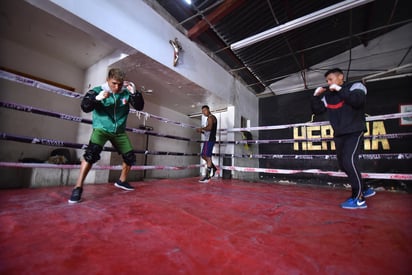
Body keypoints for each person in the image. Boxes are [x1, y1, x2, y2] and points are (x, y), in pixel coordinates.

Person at [68, 68, 144, 203]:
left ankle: (121, 181)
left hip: (119, 132)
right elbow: (85, 107)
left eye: (120, 84)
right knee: (91, 154)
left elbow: (139, 107)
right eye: (114, 83)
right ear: (108, 80)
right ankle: (78, 187)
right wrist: (97, 99)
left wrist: (135, 93)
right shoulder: (97, 91)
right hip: (101, 129)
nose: (117, 87)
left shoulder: (126, 92)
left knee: (130, 157)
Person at [311, 68, 375, 209]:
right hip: (339, 133)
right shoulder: (329, 96)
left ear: (341, 77)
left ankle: (358, 199)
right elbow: (318, 110)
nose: (328, 83)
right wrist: (316, 96)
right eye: (327, 81)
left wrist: (340, 89)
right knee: (343, 165)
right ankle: (364, 188)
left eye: (331, 79)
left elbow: (357, 101)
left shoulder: (356, 86)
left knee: (349, 161)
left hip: (354, 130)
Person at [196, 105, 217, 183]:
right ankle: (213, 167)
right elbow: (208, 131)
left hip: (210, 140)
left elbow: (210, 128)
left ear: (208, 110)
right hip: (208, 139)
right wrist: (201, 131)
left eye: (205, 110)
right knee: (203, 155)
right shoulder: (210, 118)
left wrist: (202, 128)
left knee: (207, 157)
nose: (204, 113)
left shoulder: (210, 117)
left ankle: (207, 177)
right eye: (202, 112)